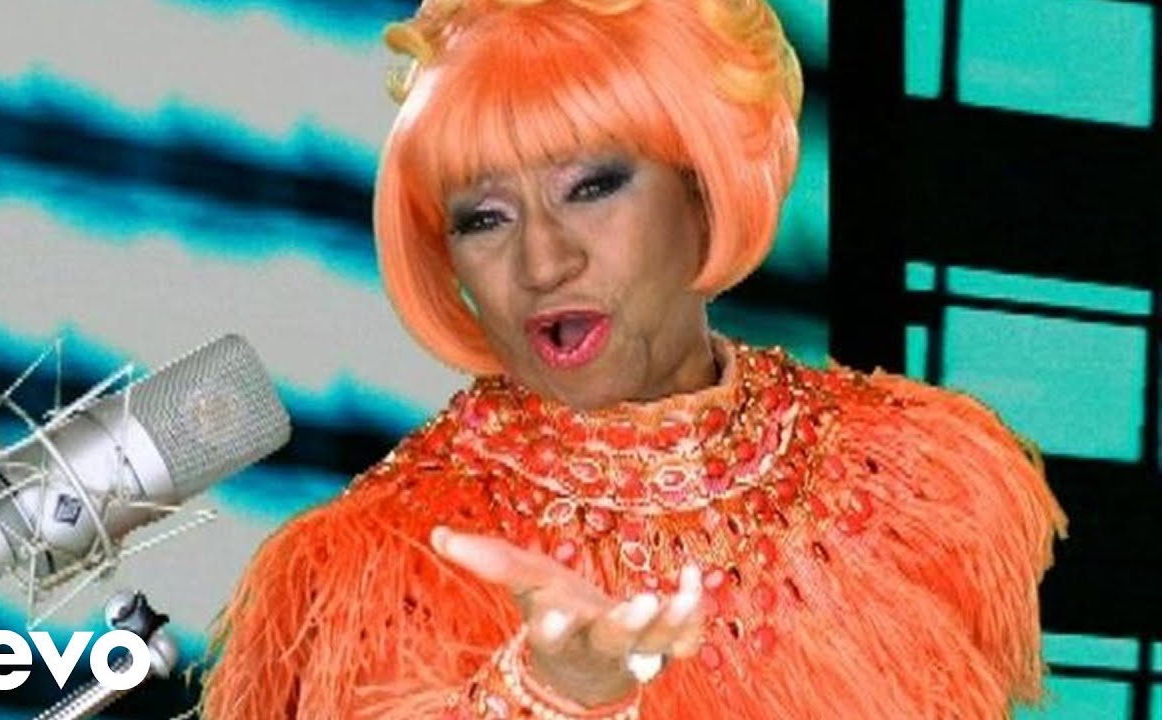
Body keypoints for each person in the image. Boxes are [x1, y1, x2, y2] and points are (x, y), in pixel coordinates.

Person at [201, 0, 1067, 717]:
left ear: (702, 186)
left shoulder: (916, 484)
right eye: (484, 218)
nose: (544, 263)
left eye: (592, 187)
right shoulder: (379, 567)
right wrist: (543, 698)